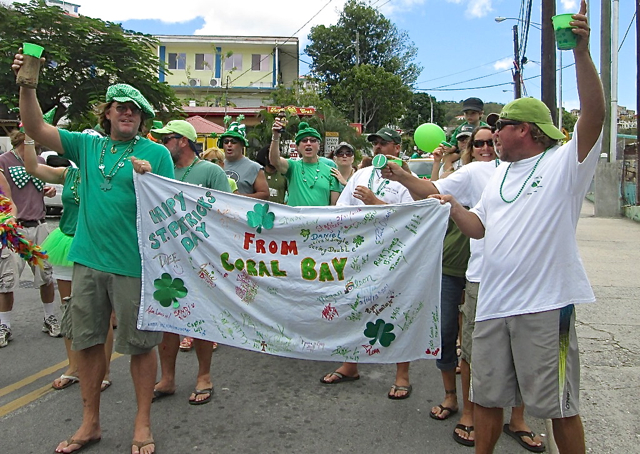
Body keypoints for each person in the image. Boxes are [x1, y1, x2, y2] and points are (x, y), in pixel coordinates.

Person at [426, 4, 604, 452]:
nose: (492, 135)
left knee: (559, 406)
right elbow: (480, 227)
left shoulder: (563, 164)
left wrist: (581, 52)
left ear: (525, 130)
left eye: (500, 127)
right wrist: (449, 206)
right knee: (486, 398)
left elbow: (594, 117)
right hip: (493, 304)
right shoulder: (499, 174)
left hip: (546, 307)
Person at [15, 46, 174, 454]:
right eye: (120, 108)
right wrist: (27, 86)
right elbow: (36, 129)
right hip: (86, 261)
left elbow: (170, 206)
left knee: (139, 347)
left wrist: (151, 178)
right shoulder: (87, 147)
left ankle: (141, 423)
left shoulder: (155, 153)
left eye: (135, 111)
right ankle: (90, 423)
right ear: (107, 113)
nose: (127, 114)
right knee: (85, 342)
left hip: (134, 265)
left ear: (142, 119)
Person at [320, 127, 416, 399]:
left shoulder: (407, 179)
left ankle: (402, 374)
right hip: (360, 255)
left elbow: (412, 218)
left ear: (397, 148)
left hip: (395, 256)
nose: (378, 148)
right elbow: (342, 211)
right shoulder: (361, 174)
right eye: (375, 143)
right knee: (355, 307)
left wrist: (376, 202)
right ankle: (351, 364)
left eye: (384, 144)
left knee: (398, 310)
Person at [23, 130, 115, 392]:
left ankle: (104, 371)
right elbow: (31, 167)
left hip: (95, 245)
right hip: (65, 242)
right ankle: (74, 367)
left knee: (101, 313)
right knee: (68, 309)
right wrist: (29, 135)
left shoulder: (108, 176)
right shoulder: (69, 174)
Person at [149, 120, 230, 406]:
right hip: (165, 258)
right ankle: (167, 378)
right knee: (167, 316)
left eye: (165, 139)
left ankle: (204, 376)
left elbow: (227, 211)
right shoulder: (159, 172)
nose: (160, 144)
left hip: (202, 258)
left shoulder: (210, 171)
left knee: (201, 317)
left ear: (182, 141)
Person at [0, 129, 57, 348]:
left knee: (46, 276)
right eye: (32, 143)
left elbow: (36, 187)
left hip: (40, 225)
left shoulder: (39, 160)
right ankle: (4, 325)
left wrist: (47, 190)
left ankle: (49, 318)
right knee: (6, 280)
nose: (36, 147)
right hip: (14, 229)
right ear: (22, 141)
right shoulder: (4, 161)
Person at [269, 121, 340, 206]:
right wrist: (276, 136)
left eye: (313, 141)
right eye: (304, 140)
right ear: (297, 147)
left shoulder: (331, 171)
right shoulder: (293, 166)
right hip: (295, 218)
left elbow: (334, 207)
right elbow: (274, 161)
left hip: (321, 219)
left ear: (319, 146)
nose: (308, 144)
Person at [220, 117, 269, 200]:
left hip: (242, 211)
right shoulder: (217, 165)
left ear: (242, 145)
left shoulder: (254, 167)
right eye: (226, 142)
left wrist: (239, 197)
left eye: (233, 141)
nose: (229, 144)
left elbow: (265, 194)